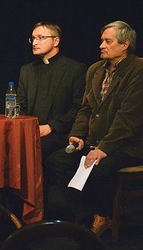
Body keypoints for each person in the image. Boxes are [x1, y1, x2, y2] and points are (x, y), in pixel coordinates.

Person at [46, 20, 143, 236]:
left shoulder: (141, 68)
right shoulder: (95, 70)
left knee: (99, 168)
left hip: (129, 146)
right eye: (101, 41)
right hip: (95, 141)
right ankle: (91, 215)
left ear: (125, 44)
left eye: (108, 41)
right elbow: (85, 109)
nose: (101, 46)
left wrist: (104, 147)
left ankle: (105, 214)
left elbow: (129, 117)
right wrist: (77, 135)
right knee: (57, 161)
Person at [16, 21, 86, 211]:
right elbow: (20, 105)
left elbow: (79, 107)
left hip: (60, 133)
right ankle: (13, 208)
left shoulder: (74, 69)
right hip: (32, 131)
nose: (34, 42)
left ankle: (35, 209)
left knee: (33, 151)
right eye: (33, 38)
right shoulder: (27, 70)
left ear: (56, 41)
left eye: (41, 38)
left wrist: (51, 127)